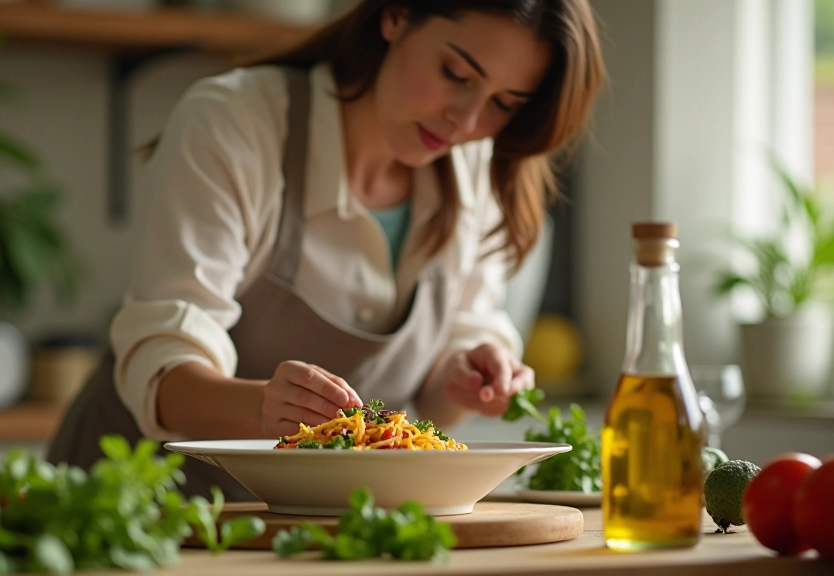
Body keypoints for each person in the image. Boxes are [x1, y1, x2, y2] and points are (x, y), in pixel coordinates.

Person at [47, 0, 605, 499]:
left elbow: (437, 399)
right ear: (395, 15)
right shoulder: (235, 124)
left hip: (312, 527)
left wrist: (461, 377)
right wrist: (261, 405)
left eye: (505, 103)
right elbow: (162, 370)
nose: (467, 121)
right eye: (454, 72)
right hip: (138, 497)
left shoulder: (476, 165)